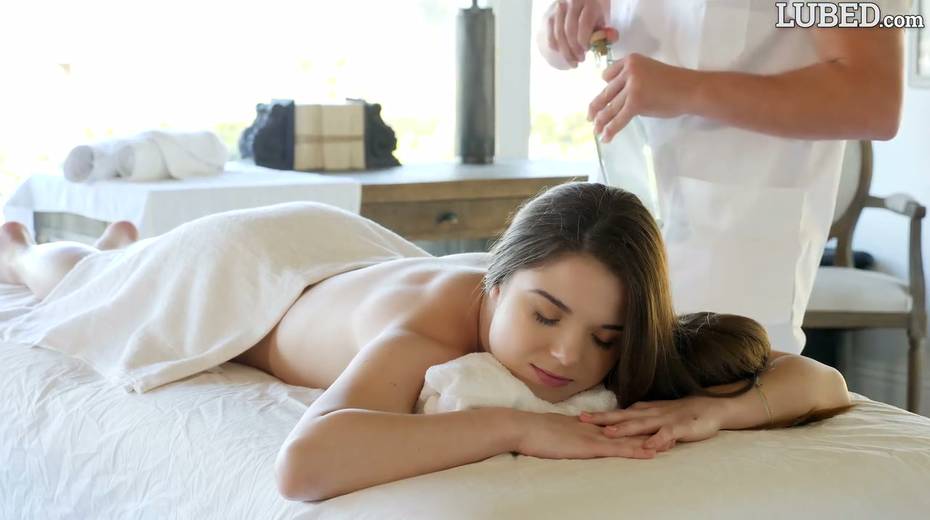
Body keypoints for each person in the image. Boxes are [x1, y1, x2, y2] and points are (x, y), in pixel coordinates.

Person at [0, 183, 851, 501]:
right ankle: (28, 248)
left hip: (348, 249)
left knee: (115, 267)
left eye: (605, 337)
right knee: (87, 282)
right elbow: (306, 465)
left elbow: (820, 383)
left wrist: (713, 413)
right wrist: (519, 427)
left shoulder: (598, 311)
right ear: (496, 285)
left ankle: (115, 246)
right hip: (246, 264)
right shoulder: (428, 329)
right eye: (544, 316)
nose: (566, 357)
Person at [537, 0, 906, 358]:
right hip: (615, 234)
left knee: (713, 390)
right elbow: (560, 45)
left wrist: (688, 90)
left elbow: (873, 97)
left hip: (734, 252)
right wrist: (562, 26)